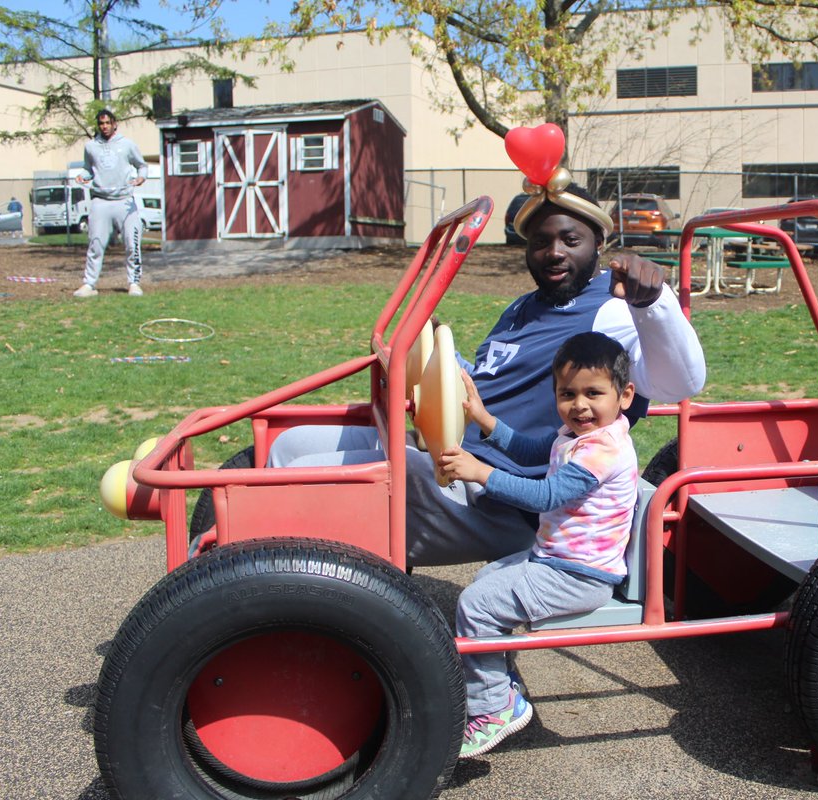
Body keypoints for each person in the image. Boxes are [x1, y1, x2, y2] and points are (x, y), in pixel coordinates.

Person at [266, 171, 705, 568]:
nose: (553, 253)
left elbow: (680, 382)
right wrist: (441, 358)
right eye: (540, 242)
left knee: (319, 485)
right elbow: (487, 379)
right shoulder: (521, 308)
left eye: (571, 240)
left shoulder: (611, 313)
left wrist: (652, 305)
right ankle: (265, 562)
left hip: (495, 496)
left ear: (598, 245)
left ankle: (279, 578)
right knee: (293, 447)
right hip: (444, 449)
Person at [442, 331, 639, 757]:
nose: (579, 405)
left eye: (593, 393)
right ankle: (501, 684)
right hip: (557, 559)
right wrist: (483, 419)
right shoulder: (575, 436)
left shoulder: (601, 451)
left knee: (476, 605)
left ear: (624, 395)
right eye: (567, 394)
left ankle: (494, 709)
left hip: (579, 575)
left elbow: (544, 497)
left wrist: (480, 473)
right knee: (486, 579)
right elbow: (533, 449)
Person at [72, 109, 148, 298]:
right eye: (101, 123)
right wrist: (83, 176)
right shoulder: (91, 146)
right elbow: (89, 169)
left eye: (107, 123)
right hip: (101, 201)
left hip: (124, 201)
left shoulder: (127, 145)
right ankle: (89, 284)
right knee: (96, 243)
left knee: (132, 242)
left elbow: (142, 165)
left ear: (115, 123)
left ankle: (134, 283)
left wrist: (141, 178)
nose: (104, 127)